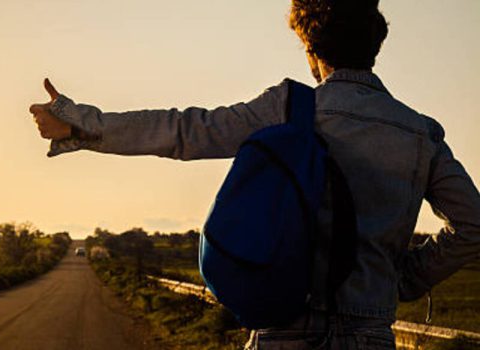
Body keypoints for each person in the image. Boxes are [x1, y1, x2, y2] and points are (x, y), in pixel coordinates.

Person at [28, 0, 480, 349]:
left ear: (310, 47)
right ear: (375, 46)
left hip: (284, 330)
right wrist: (405, 279)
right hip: (372, 333)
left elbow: (184, 131)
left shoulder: (288, 108)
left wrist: (81, 122)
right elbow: (473, 224)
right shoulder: (421, 133)